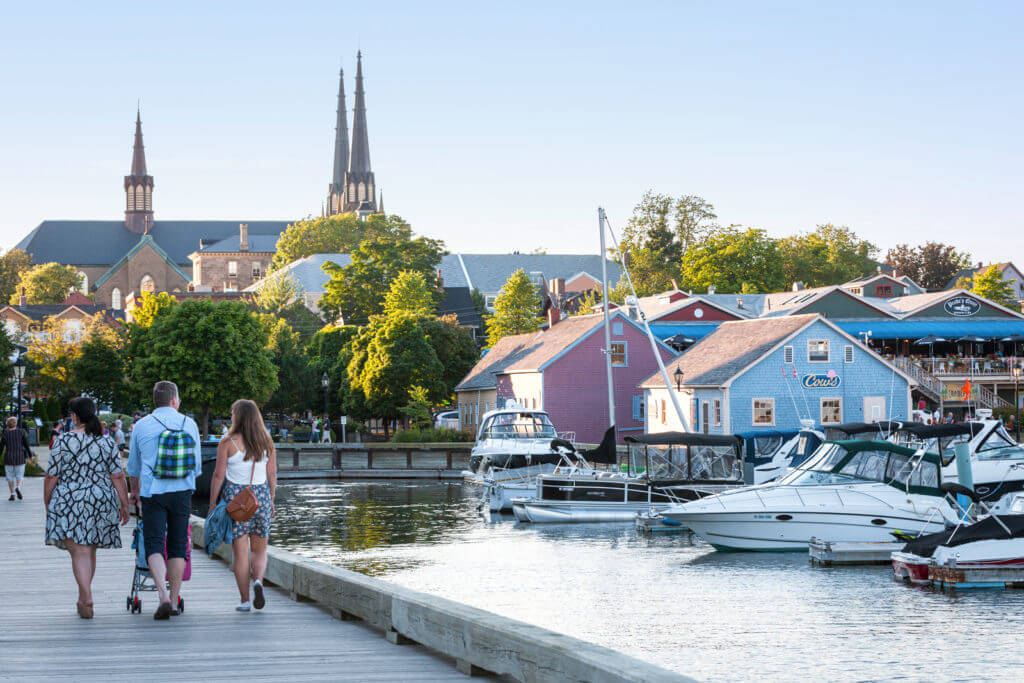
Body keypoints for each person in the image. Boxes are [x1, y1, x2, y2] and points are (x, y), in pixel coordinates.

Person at [44, 397, 130, 619]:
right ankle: (83, 597)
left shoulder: (63, 441)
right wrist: (124, 503)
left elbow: (52, 475)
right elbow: (117, 475)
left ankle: (86, 596)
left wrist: (48, 500)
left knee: (79, 552)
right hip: (100, 498)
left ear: (74, 416)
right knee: (89, 549)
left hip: (70, 499)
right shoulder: (107, 442)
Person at [127, 381, 201, 620]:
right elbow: (197, 466)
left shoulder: (141, 425)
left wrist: (134, 492)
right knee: (179, 545)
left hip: (153, 492)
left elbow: (133, 467)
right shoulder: (189, 424)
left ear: (155, 401)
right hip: (182, 492)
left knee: (154, 543)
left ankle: (163, 597)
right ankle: (176, 597)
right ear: (174, 400)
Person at [208, 399, 277, 612]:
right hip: (261, 499)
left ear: (237, 417)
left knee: (240, 553)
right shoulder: (266, 441)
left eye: (232, 413)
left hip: (237, 501)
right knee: (260, 550)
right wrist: (271, 500)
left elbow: (219, 475)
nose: (230, 417)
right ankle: (258, 581)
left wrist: (212, 504)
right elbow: (272, 474)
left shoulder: (228, 442)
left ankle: (245, 601)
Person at [2, 416, 34, 500]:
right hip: (20, 457)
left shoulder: (5, 433)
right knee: (19, 475)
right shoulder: (21, 432)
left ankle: (12, 494)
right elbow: (26, 445)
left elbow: (1, 447)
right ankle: (18, 487)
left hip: (8, 457)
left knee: (10, 476)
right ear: (15, 423)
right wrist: (30, 456)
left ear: (8, 424)